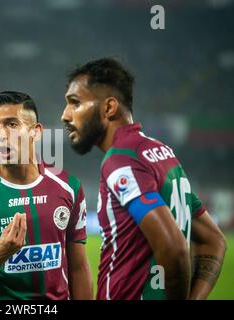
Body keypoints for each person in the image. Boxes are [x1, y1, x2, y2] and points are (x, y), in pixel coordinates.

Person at [61, 57, 227, 300]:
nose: (65, 115)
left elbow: (175, 249)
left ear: (109, 108)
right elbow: (213, 240)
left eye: (75, 103)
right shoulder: (161, 153)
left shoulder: (120, 159)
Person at [0, 91, 93, 300]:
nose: (1, 135)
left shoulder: (69, 187)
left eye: (12, 124)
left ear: (36, 132)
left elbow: (78, 268)